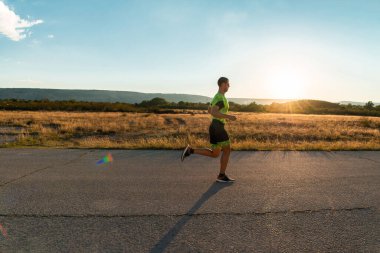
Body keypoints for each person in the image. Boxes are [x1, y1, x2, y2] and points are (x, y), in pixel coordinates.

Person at [181, 77, 237, 183]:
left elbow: (209, 110)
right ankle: (221, 175)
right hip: (218, 127)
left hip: (213, 127)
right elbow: (214, 112)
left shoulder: (216, 97)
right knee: (227, 150)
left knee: (215, 153)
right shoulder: (220, 98)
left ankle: (190, 150)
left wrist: (216, 112)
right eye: (228, 84)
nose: (229, 86)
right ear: (223, 84)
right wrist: (229, 117)